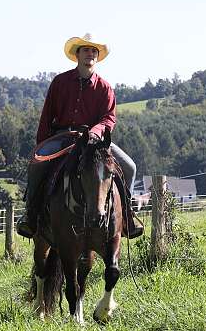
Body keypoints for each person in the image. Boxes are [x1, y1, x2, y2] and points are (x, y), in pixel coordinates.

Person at [16, 33, 143, 239]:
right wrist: (42, 144)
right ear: (77, 55)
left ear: (97, 56)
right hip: (62, 137)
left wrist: (96, 131)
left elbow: (109, 118)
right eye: (86, 50)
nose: (90, 54)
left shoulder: (105, 87)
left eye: (94, 51)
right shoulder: (60, 82)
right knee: (36, 166)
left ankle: (127, 216)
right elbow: (47, 114)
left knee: (129, 167)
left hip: (94, 141)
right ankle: (31, 216)